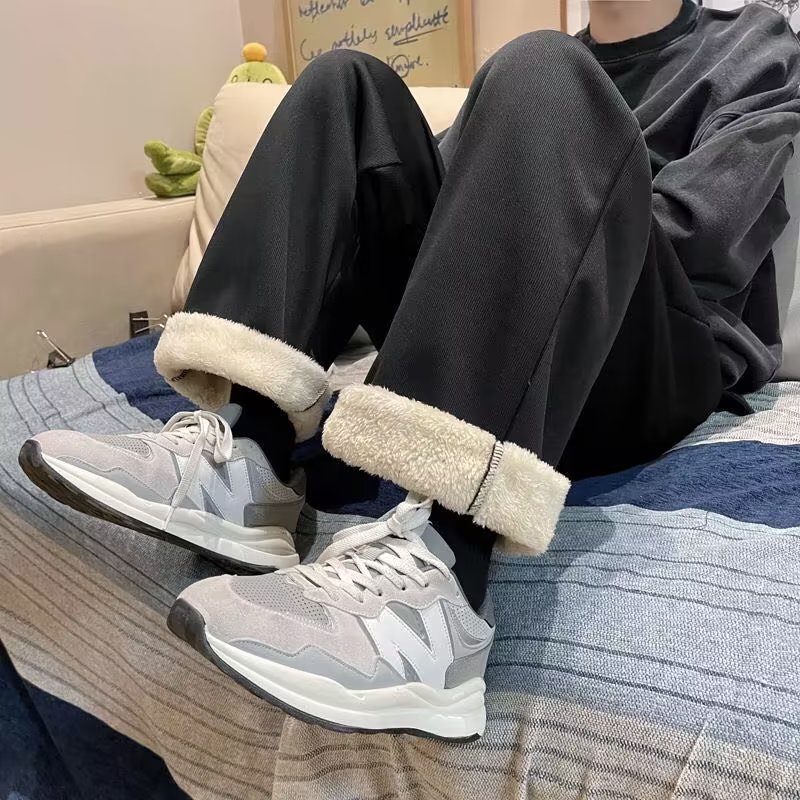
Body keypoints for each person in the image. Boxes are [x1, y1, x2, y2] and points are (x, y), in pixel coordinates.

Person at [18, 0, 800, 741]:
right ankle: (246, 456)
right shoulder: (537, 79)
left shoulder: (749, 43)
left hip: (657, 354)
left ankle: (441, 593)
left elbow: (707, 235)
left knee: (543, 70)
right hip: (517, 317)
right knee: (346, 84)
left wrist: (553, 176)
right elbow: (434, 221)